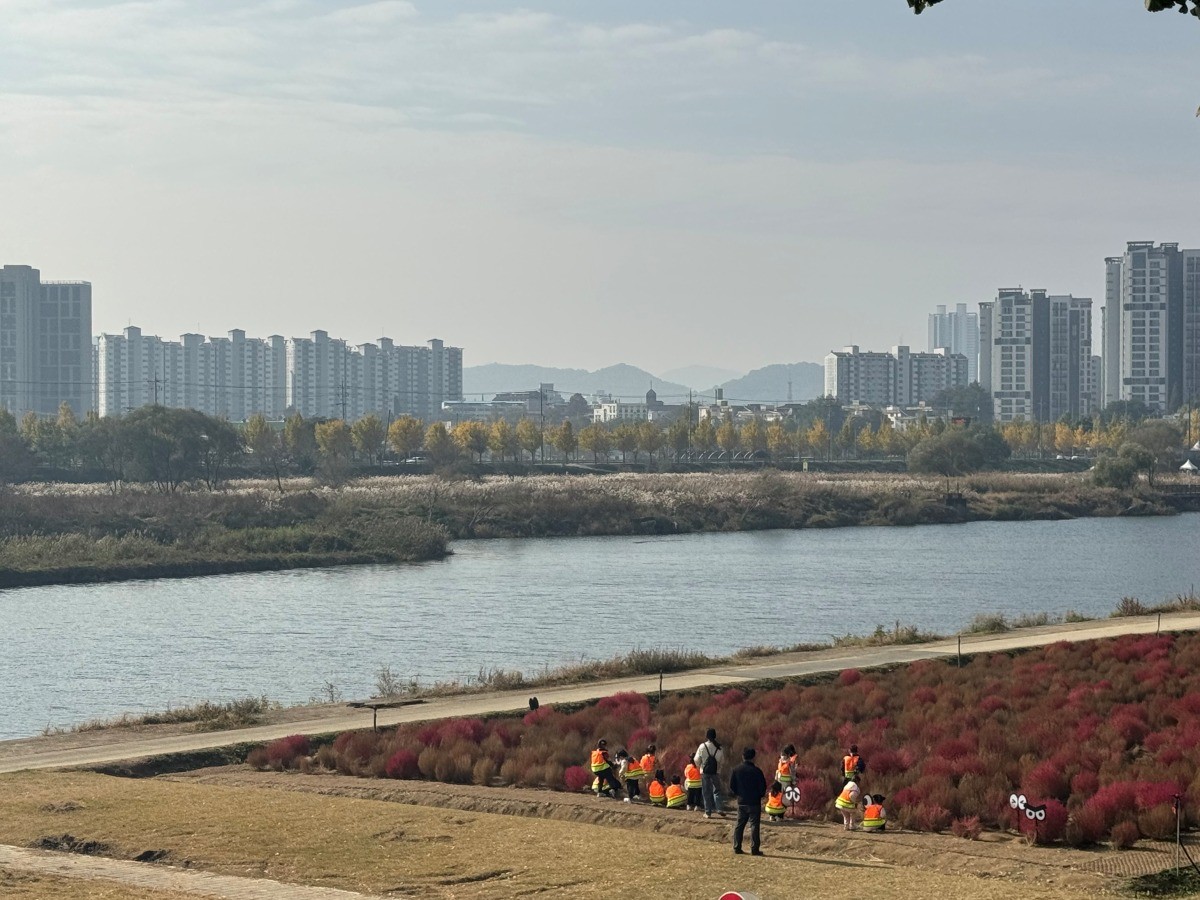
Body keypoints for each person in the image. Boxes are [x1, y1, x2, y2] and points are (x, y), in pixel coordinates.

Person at [729, 747, 767, 856]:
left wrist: (738, 794)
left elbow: (732, 786)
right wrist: (759, 795)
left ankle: (737, 847)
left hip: (742, 801)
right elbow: (762, 787)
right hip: (754, 802)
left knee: (739, 825)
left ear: (743, 756)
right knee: (754, 825)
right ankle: (754, 849)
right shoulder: (757, 771)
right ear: (753, 758)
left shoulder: (736, 770)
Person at [694, 727, 725, 818]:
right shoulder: (719, 747)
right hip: (715, 772)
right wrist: (718, 768)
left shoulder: (702, 746)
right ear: (715, 736)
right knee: (717, 791)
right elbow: (722, 761)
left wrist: (700, 766)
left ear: (706, 736)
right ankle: (719, 808)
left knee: (706, 792)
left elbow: (696, 759)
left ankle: (708, 812)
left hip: (705, 772)